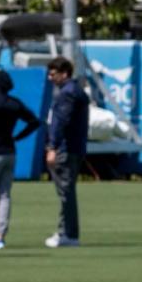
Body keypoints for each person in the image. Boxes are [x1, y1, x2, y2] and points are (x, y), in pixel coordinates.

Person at [0, 67, 41, 251]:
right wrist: (17, 137)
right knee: (4, 195)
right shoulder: (14, 103)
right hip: (10, 151)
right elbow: (35, 121)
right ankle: (0, 237)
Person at [43, 56, 89, 248]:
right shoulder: (75, 90)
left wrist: (52, 147)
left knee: (65, 192)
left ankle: (68, 234)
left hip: (66, 149)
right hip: (75, 148)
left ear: (64, 74)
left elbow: (61, 121)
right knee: (66, 191)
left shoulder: (67, 93)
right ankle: (66, 231)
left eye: (53, 74)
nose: (50, 78)